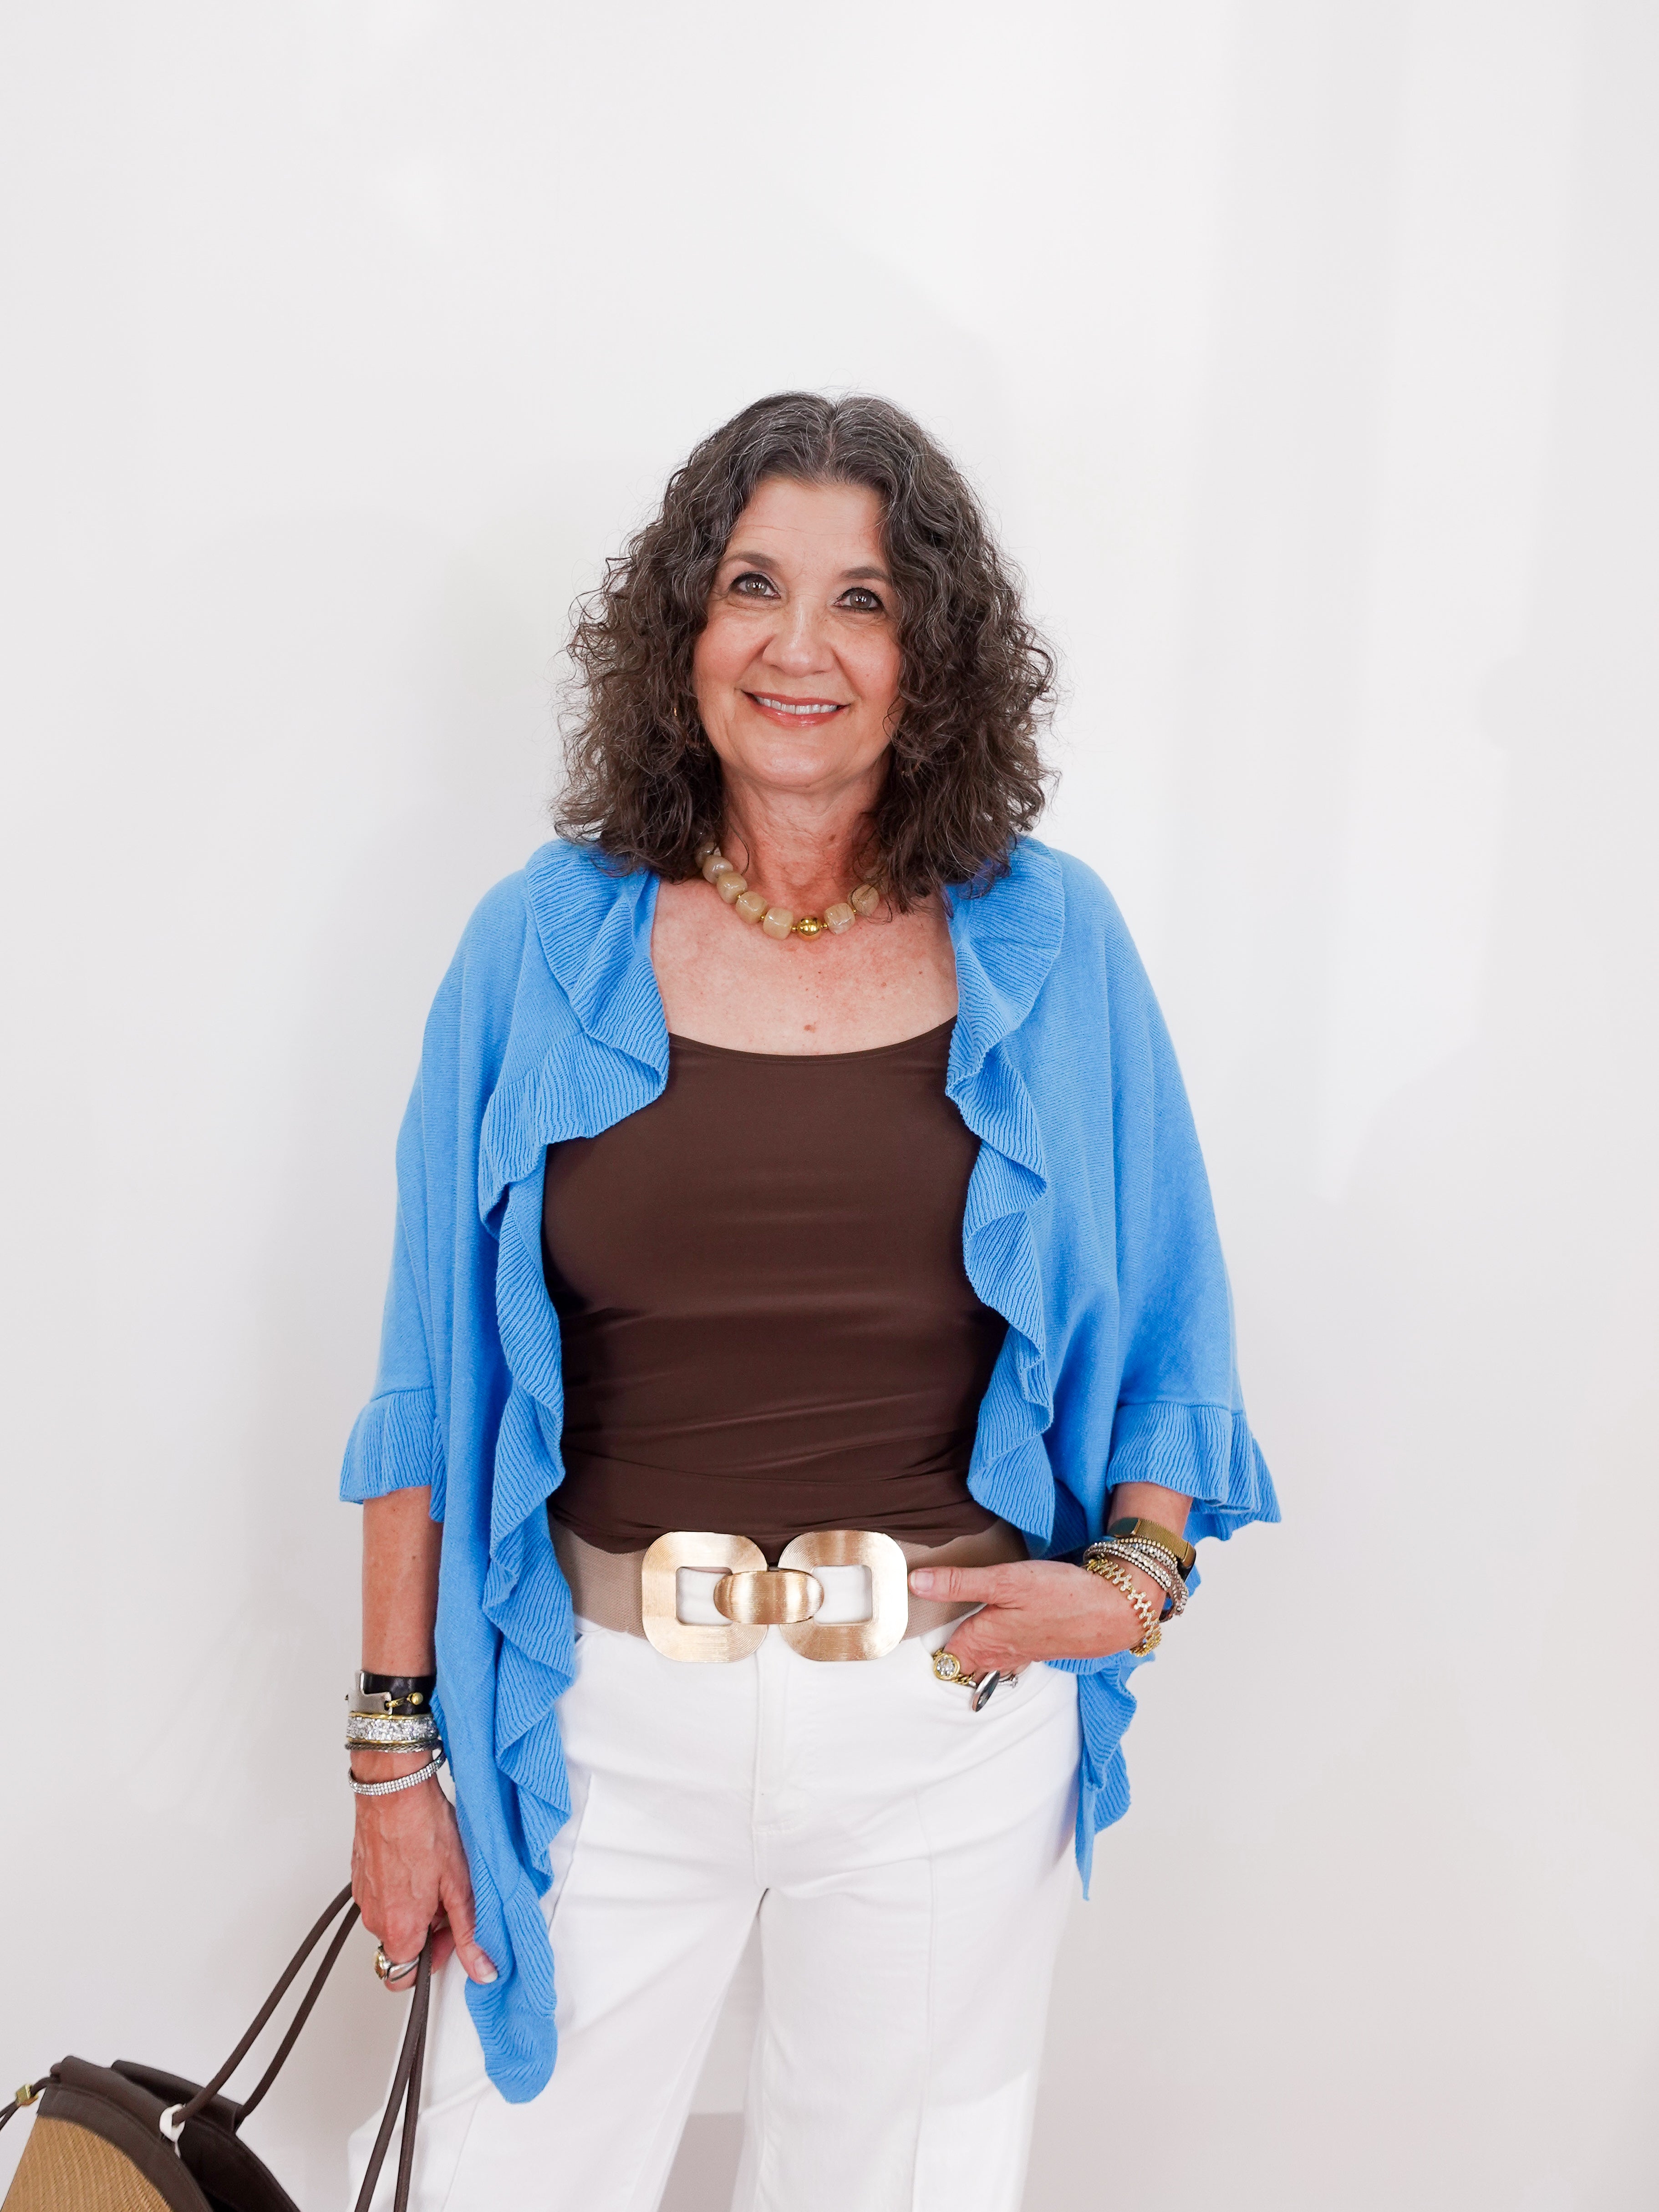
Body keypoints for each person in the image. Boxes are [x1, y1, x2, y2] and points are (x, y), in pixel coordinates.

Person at [341, 391, 1277, 2212]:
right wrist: (394, 1757)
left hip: (941, 1724)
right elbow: (424, 1382)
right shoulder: (539, 946)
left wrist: (1131, 1590)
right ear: (678, 632)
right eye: (751, 586)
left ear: (928, 660)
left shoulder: (1049, 944)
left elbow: (1171, 1319)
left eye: (860, 601)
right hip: (593, 1715)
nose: (797, 647)